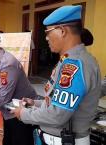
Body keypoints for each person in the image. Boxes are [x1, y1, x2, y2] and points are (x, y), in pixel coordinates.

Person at [11, 5, 101, 145]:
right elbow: (57, 102)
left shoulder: (75, 65)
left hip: (65, 140)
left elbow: (57, 115)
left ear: (62, 31)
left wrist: (23, 114)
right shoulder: (67, 61)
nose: (46, 38)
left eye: (48, 32)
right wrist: (35, 103)